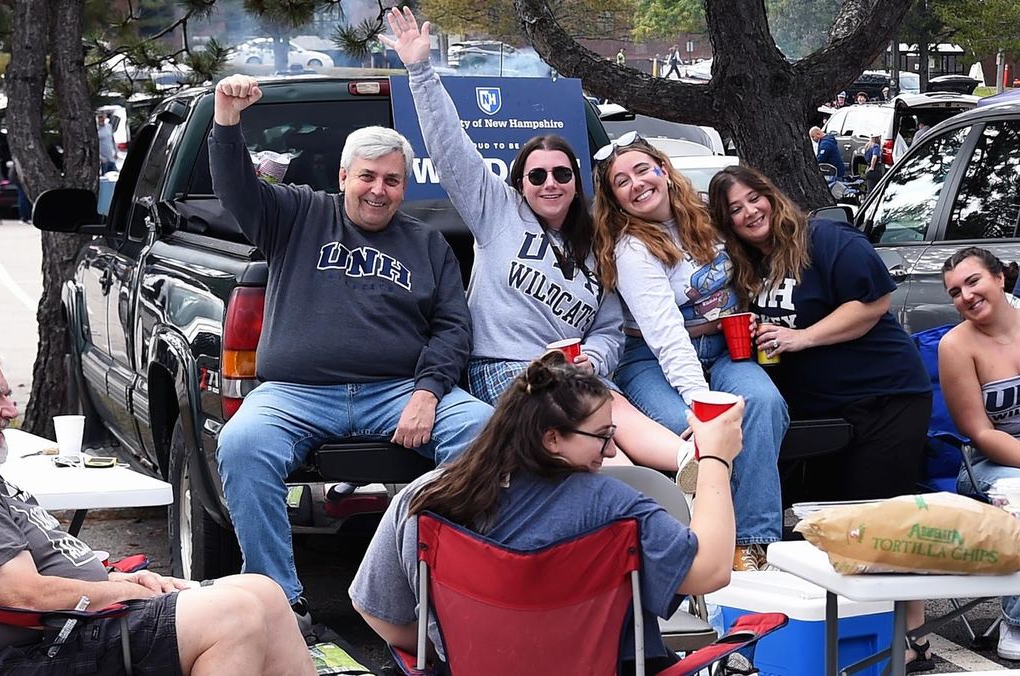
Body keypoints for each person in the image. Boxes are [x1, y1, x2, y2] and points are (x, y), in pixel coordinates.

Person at [208, 74, 493, 624]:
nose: (378, 189)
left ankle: (455, 587)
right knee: (242, 444)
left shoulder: (427, 244)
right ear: (344, 176)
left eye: (392, 179)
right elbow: (237, 188)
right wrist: (227, 119)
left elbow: (452, 328)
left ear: (405, 186)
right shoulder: (295, 215)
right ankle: (279, 601)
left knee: (483, 431)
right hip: (296, 393)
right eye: (367, 176)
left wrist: (429, 393)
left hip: (397, 391)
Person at [382, 7, 693, 481]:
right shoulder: (497, 211)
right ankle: (636, 489)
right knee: (591, 428)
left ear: (577, 181)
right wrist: (421, 72)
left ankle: (696, 467)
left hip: (575, 375)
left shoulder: (597, 240)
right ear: (521, 182)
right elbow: (451, 150)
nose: (551, 184)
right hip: (503, 367)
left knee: (614, 408)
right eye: (538, 175)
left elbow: (609, 328)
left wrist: (597, 357)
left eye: (562, 174)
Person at [0, 336, 315, 675]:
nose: (11, 409)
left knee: (265, 591)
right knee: (233, 615)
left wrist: (123, 578)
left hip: (75, 624)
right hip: (34, 650)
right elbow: (22, 595)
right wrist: (123, 591)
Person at [350, 352, 745, 673]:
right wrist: (714, 459)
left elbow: (377, 611)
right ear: (551, 437)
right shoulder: (614, 507)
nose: (611, 451)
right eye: (603, 437)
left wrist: (455, 651)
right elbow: (710, 570)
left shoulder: (426, 500)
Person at [710, 166, 937, 670]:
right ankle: (856, 638)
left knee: (881, 525)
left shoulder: (824, 238)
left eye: (754, 199)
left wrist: (802, 337)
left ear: (772, 194)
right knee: (834, 534)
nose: (750, 213)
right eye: (735, 210)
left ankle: (915, 638)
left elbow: (875, 300)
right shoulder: (751, 264)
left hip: (884, 398)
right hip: (823, 417)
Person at [592, 134, 789, 571]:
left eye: (643, 170)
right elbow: (666, 336)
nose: (636, 184)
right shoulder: (631, 248)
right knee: (691, 433)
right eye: (621, 182)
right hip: (652, 361)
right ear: (615, 200)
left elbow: (758, 259)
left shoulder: (707, 216)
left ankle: (754, 543)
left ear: (663, 168)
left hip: (724, 348)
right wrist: (701, 406)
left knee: (762, 403)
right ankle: (697, 552)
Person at [939, 246, 1020, 663]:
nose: (966, 296)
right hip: (988, 463)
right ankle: (1016, 625)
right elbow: (980, 432)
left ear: (1000, 277)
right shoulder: (956, 346)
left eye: (973, 282)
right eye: (955, 292)